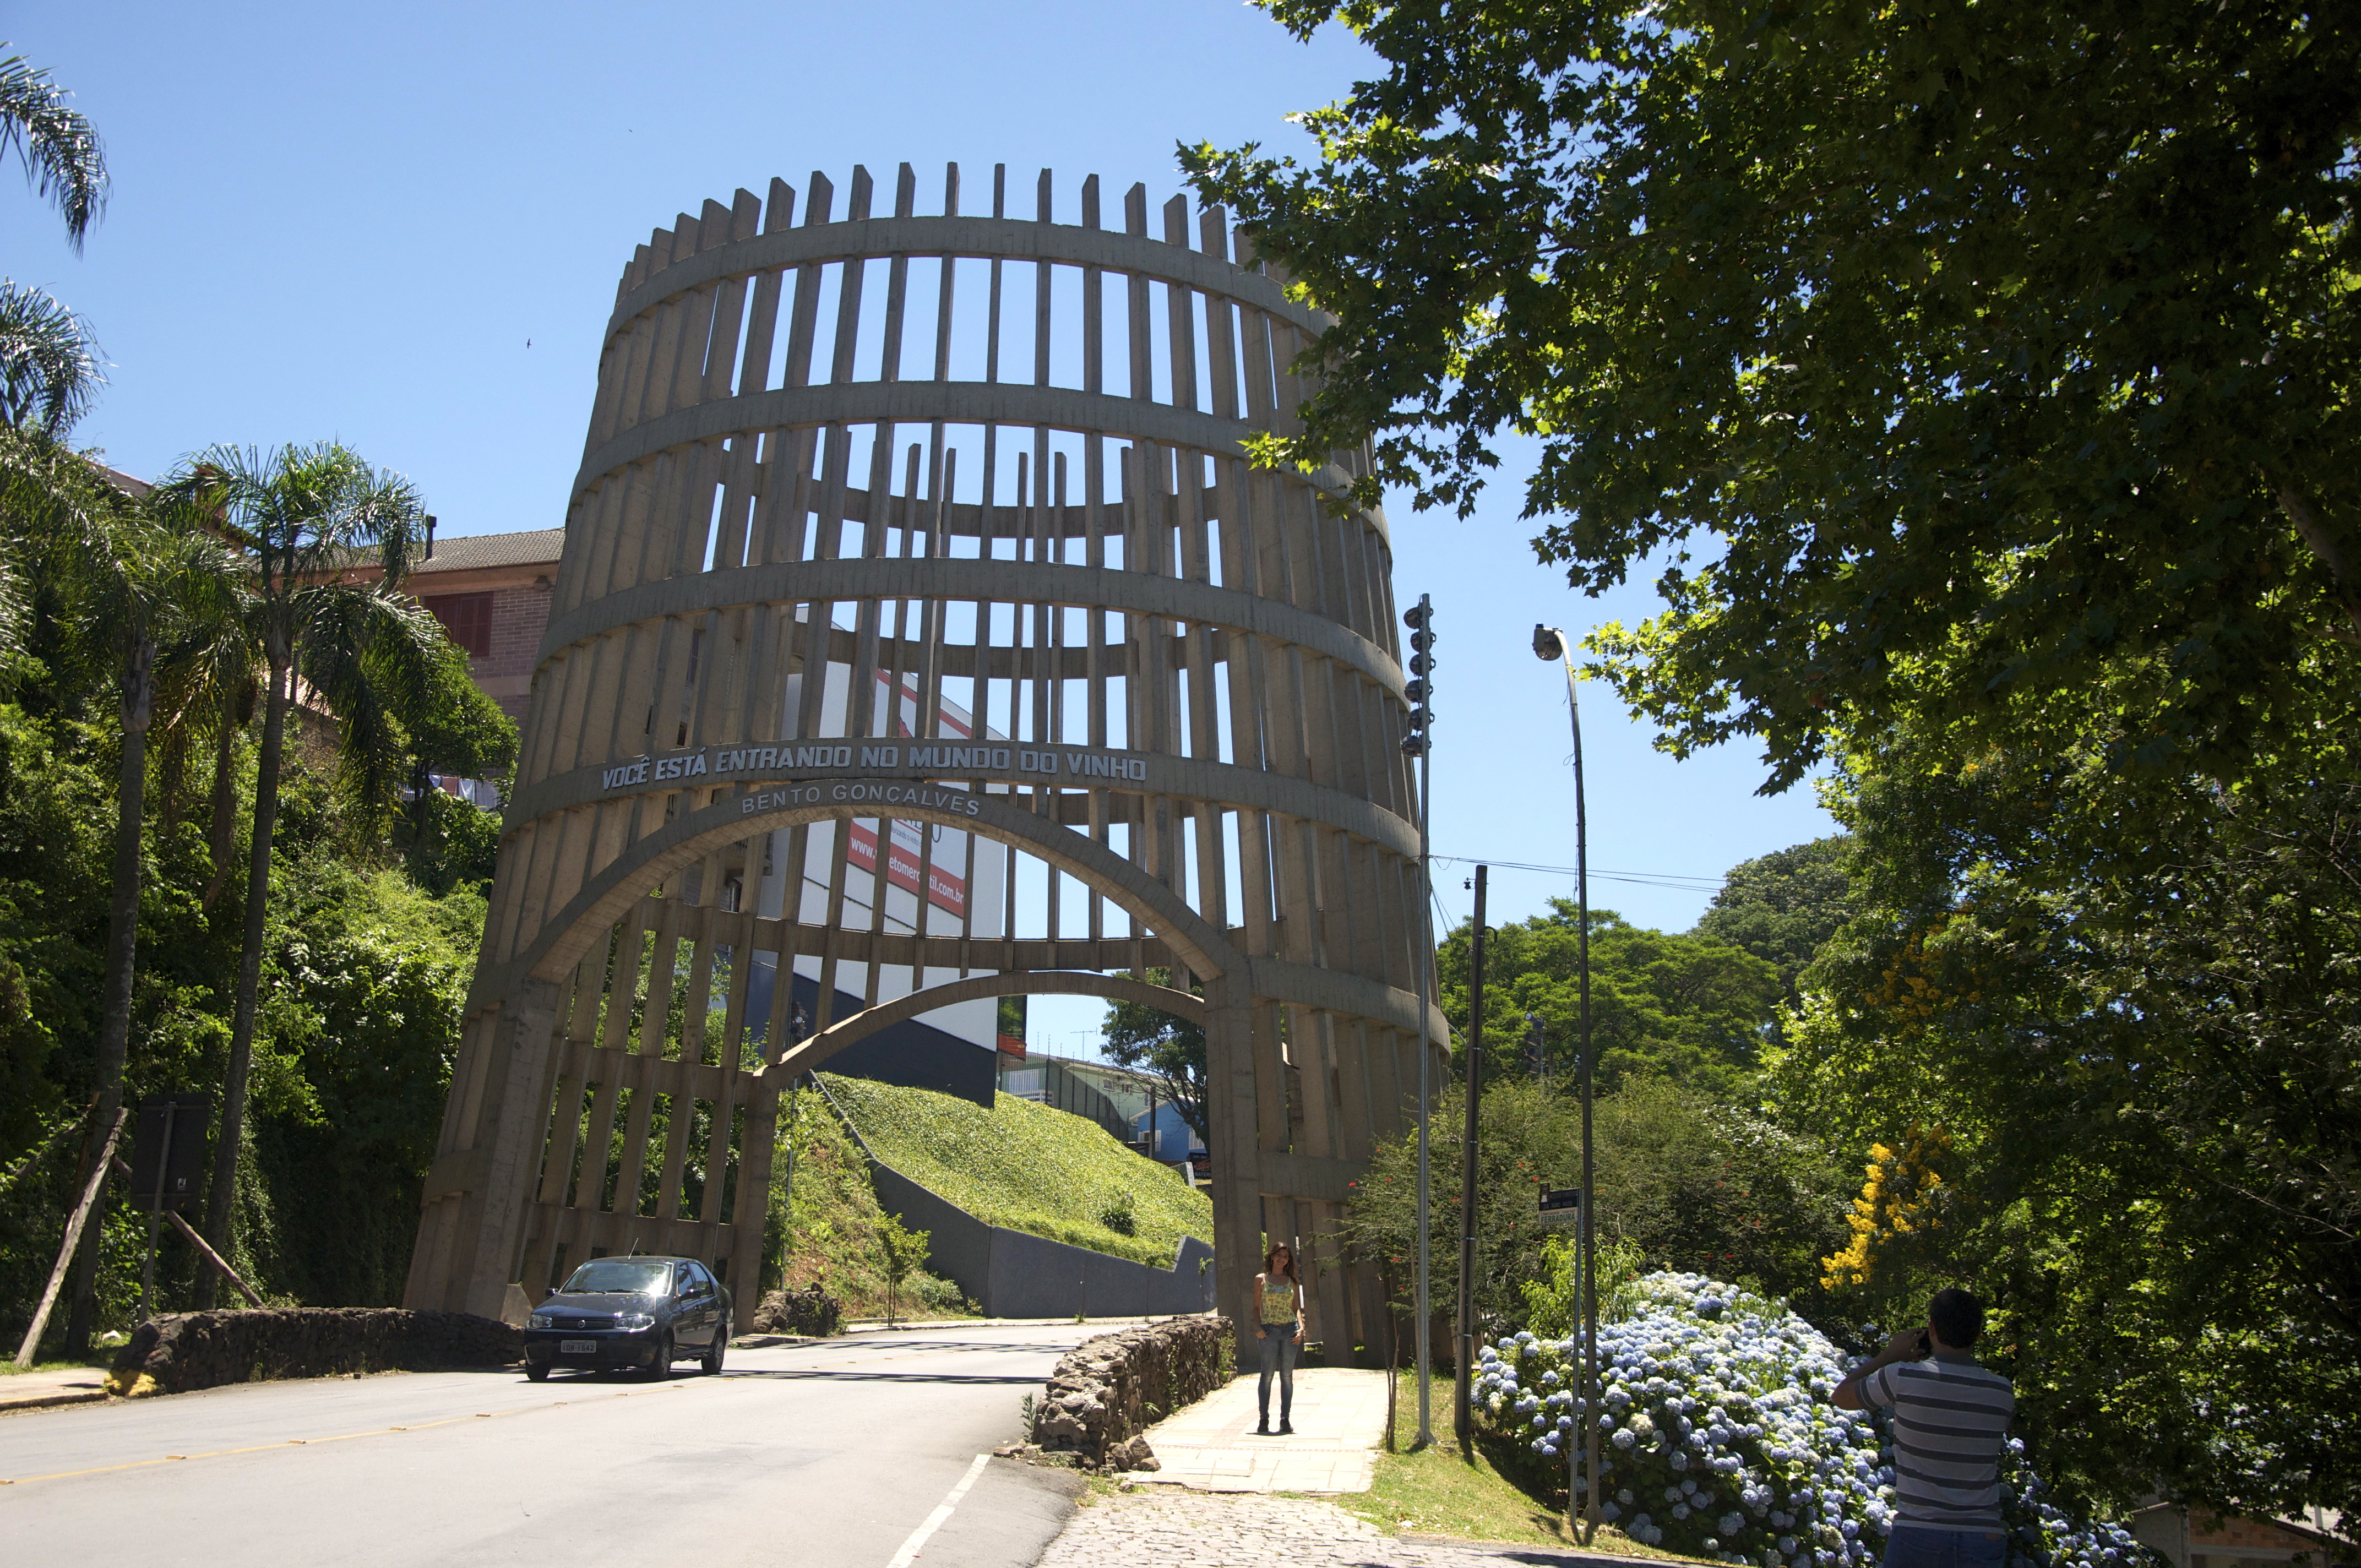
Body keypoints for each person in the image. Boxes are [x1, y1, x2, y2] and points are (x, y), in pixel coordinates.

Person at [1835, 1287, 2016, 1568]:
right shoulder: (2002, 1391)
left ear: (1931, 1328)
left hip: (1919, 1532)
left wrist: (1889, 1355)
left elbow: (1841, 1396)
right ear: (1979, 1334)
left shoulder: (1902, 1377)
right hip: (1984, 1537)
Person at [1251, 1243, 1305, 1436]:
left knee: (1287, 1377)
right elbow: (1256, 1307)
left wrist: (1301, 1328)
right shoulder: (1261, 1280)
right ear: (1272, 1257)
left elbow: (1296, 1307)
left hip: (1290, 1331)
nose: (1282, 1259)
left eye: (1286, 1256)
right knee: (1267, 1376)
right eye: (1279, 1255)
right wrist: (1257, 1327)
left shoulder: (1292, 1281)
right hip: (1269, 1332)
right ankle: (1263, 1419)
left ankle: (1285, 1419)